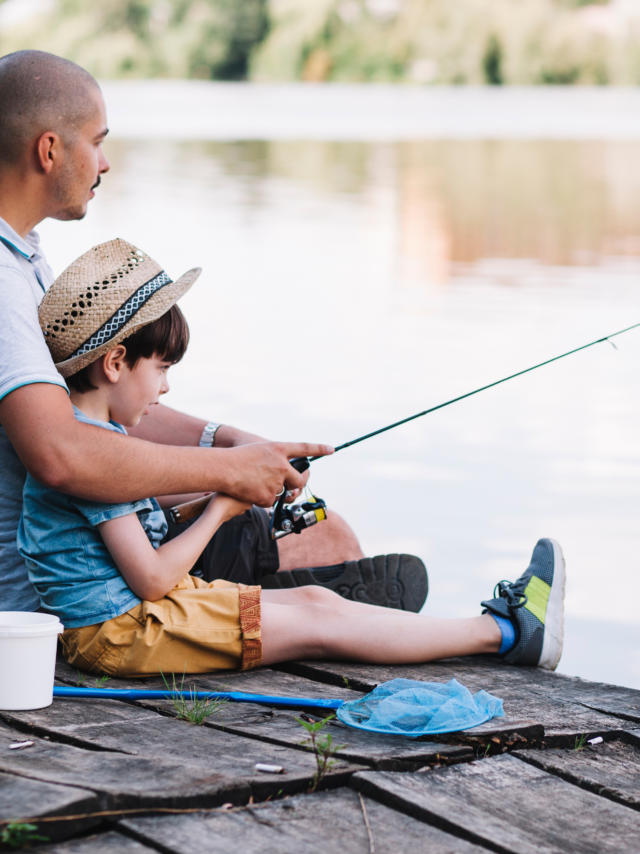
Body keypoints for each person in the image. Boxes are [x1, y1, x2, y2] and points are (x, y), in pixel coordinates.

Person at [0, 49, 427, 615]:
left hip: (74, 556)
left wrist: (230, 444)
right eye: (97, 141)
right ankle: (305, 618)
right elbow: (61, 453)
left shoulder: (24, 258)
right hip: (50, 598)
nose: (105, 163)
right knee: (322, 539)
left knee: (301, 523)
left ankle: (296, 614)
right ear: (49, 149)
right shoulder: (4, 283)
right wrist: (229, 472)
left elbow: (86, 402)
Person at [18, 239, 565, 676]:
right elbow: (152, 578)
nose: (165, 388)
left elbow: (137, 543)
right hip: (127, 633)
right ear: (115, 362)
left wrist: (225, 490)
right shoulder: (98, 456)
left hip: (134, 620)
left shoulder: (97, 437)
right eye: (161, 369)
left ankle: (502, 629)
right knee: (319, 621)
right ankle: (506, 633)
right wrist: (219, 511)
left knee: (313, 598)